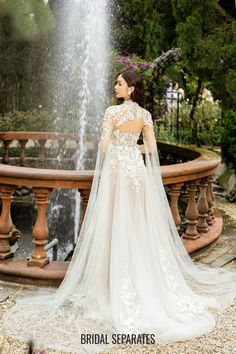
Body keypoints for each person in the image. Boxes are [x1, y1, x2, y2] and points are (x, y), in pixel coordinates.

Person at [3, 70, 236, 353]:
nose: (115, 87)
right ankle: (142, 284)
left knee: (114, 225)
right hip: (136, 176)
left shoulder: (111, 113)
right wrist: (131, 148)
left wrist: (116, 142)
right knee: (136, 228)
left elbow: (102, 146)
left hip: (116, 175)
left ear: (132, 89)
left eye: (120, 83)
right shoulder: (145, 115)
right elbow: (150, 148)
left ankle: (112, 287)